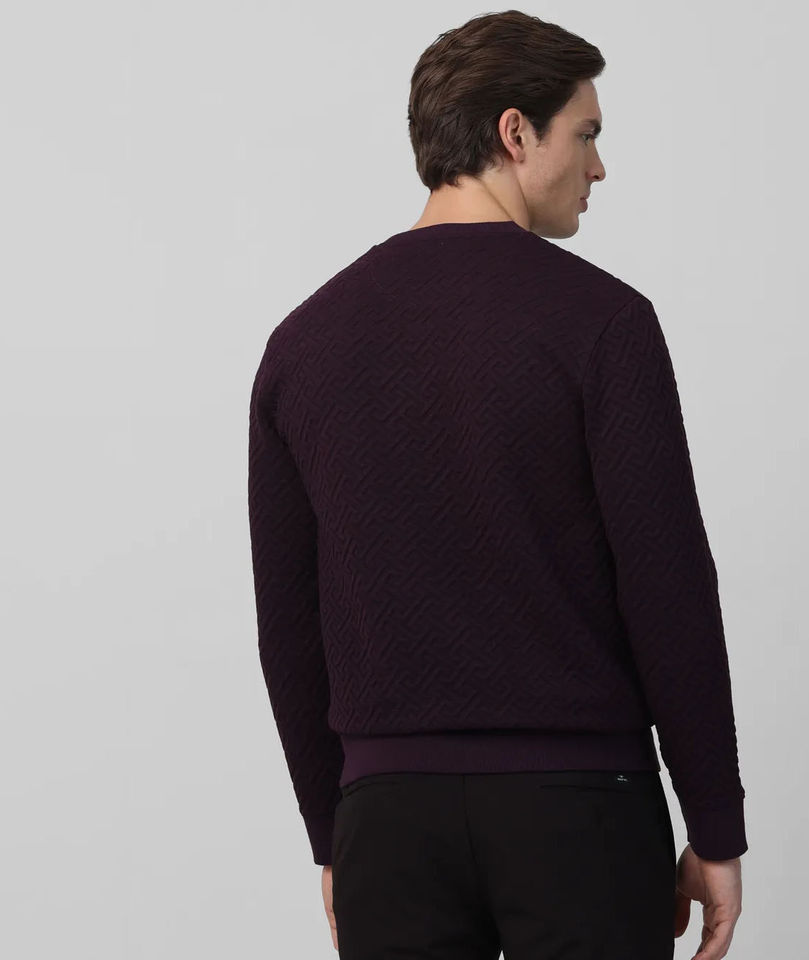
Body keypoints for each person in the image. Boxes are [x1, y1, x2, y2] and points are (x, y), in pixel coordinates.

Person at [247, 10, 746, 960]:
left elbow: (289, 624)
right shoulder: (603, 322)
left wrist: (333, 832)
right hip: (581, 811)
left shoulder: (302, 345)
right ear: (515, 133)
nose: (599, 167)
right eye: (586, 134)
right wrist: (715, 825)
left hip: (388, 821)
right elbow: (669, 588)